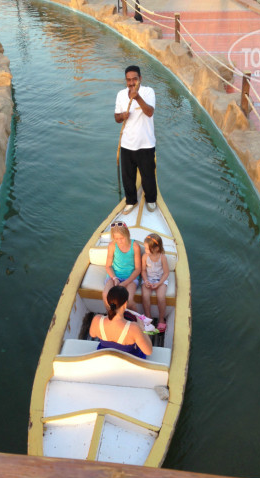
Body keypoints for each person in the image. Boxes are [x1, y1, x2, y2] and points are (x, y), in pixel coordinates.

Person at [115, 65, 157, 215]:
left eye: (134, 79)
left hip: (145, 144)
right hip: (127, 144)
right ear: (125, 81)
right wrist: (122, 116)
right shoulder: (121, 95)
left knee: (148, 175)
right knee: (127, 176)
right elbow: (116, 117)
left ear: (140, 79)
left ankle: (151, 199)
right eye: (128, 80)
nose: (132, 83)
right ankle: (131, 201)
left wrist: (137, 97)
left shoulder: (148, 92)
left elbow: (149, 112)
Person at [90, 285, 152, 359]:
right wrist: (142, 327)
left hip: (105, 358)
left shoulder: (97, 319)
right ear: (125, 304)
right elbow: (148, 351)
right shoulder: (134, 328)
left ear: (107, 301)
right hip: (128, 362)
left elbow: (92, 335)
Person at [103, 221, 141, 312]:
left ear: (127, 235)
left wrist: (125, 283)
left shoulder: (135, 246)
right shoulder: (112, 245)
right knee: (106, 296)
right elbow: (108, 266)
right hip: (114, 276)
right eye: (116, 238)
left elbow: (138, 269)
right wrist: (115, 278)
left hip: (130, 278)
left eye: (122, 238)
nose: (119, 241)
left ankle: (137, 319)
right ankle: (113, 317)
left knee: (129, 301)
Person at [141, 233, 169, 333]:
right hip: (148, 279)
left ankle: (161, 319)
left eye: (147, 248)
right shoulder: (145, 256)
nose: (145, 250)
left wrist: (159, 283)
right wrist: (146, 280)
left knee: (161, 297)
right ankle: (148, 317)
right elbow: (143, 270)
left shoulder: (162, 257)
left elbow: (166, 273)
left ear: (156, 248)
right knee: (145, 296)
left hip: (160, 279)